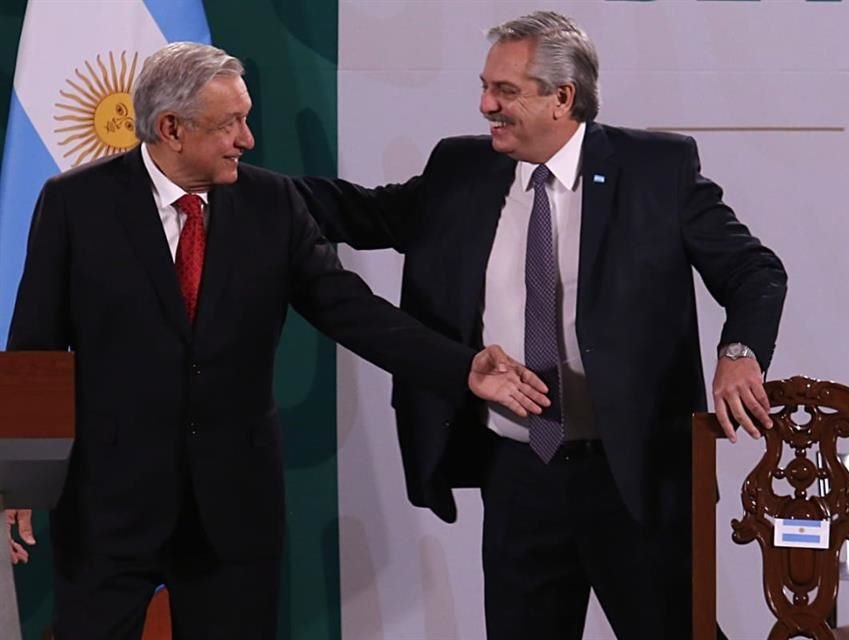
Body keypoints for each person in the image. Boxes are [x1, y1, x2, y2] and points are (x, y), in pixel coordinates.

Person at [3, 42, 550, 639]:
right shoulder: (76, 203)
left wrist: (463, 366)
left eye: (246, 117)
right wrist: (23, 479)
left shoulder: (272, 202)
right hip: (110, 501)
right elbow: (36, 347)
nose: (247, 139)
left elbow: (350, 310)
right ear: (170, 129)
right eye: (229, 124)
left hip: (234, 507)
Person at [296, 10, 787, 640]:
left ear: (563, 97)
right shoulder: (461, 170)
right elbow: (361, 214)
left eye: (505, 92)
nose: (484, 105)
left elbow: (754, 271)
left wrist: (741, 350)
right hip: (519, 471)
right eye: (484, 86)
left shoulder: (656, 171)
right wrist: (235, 181)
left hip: (635, 472)